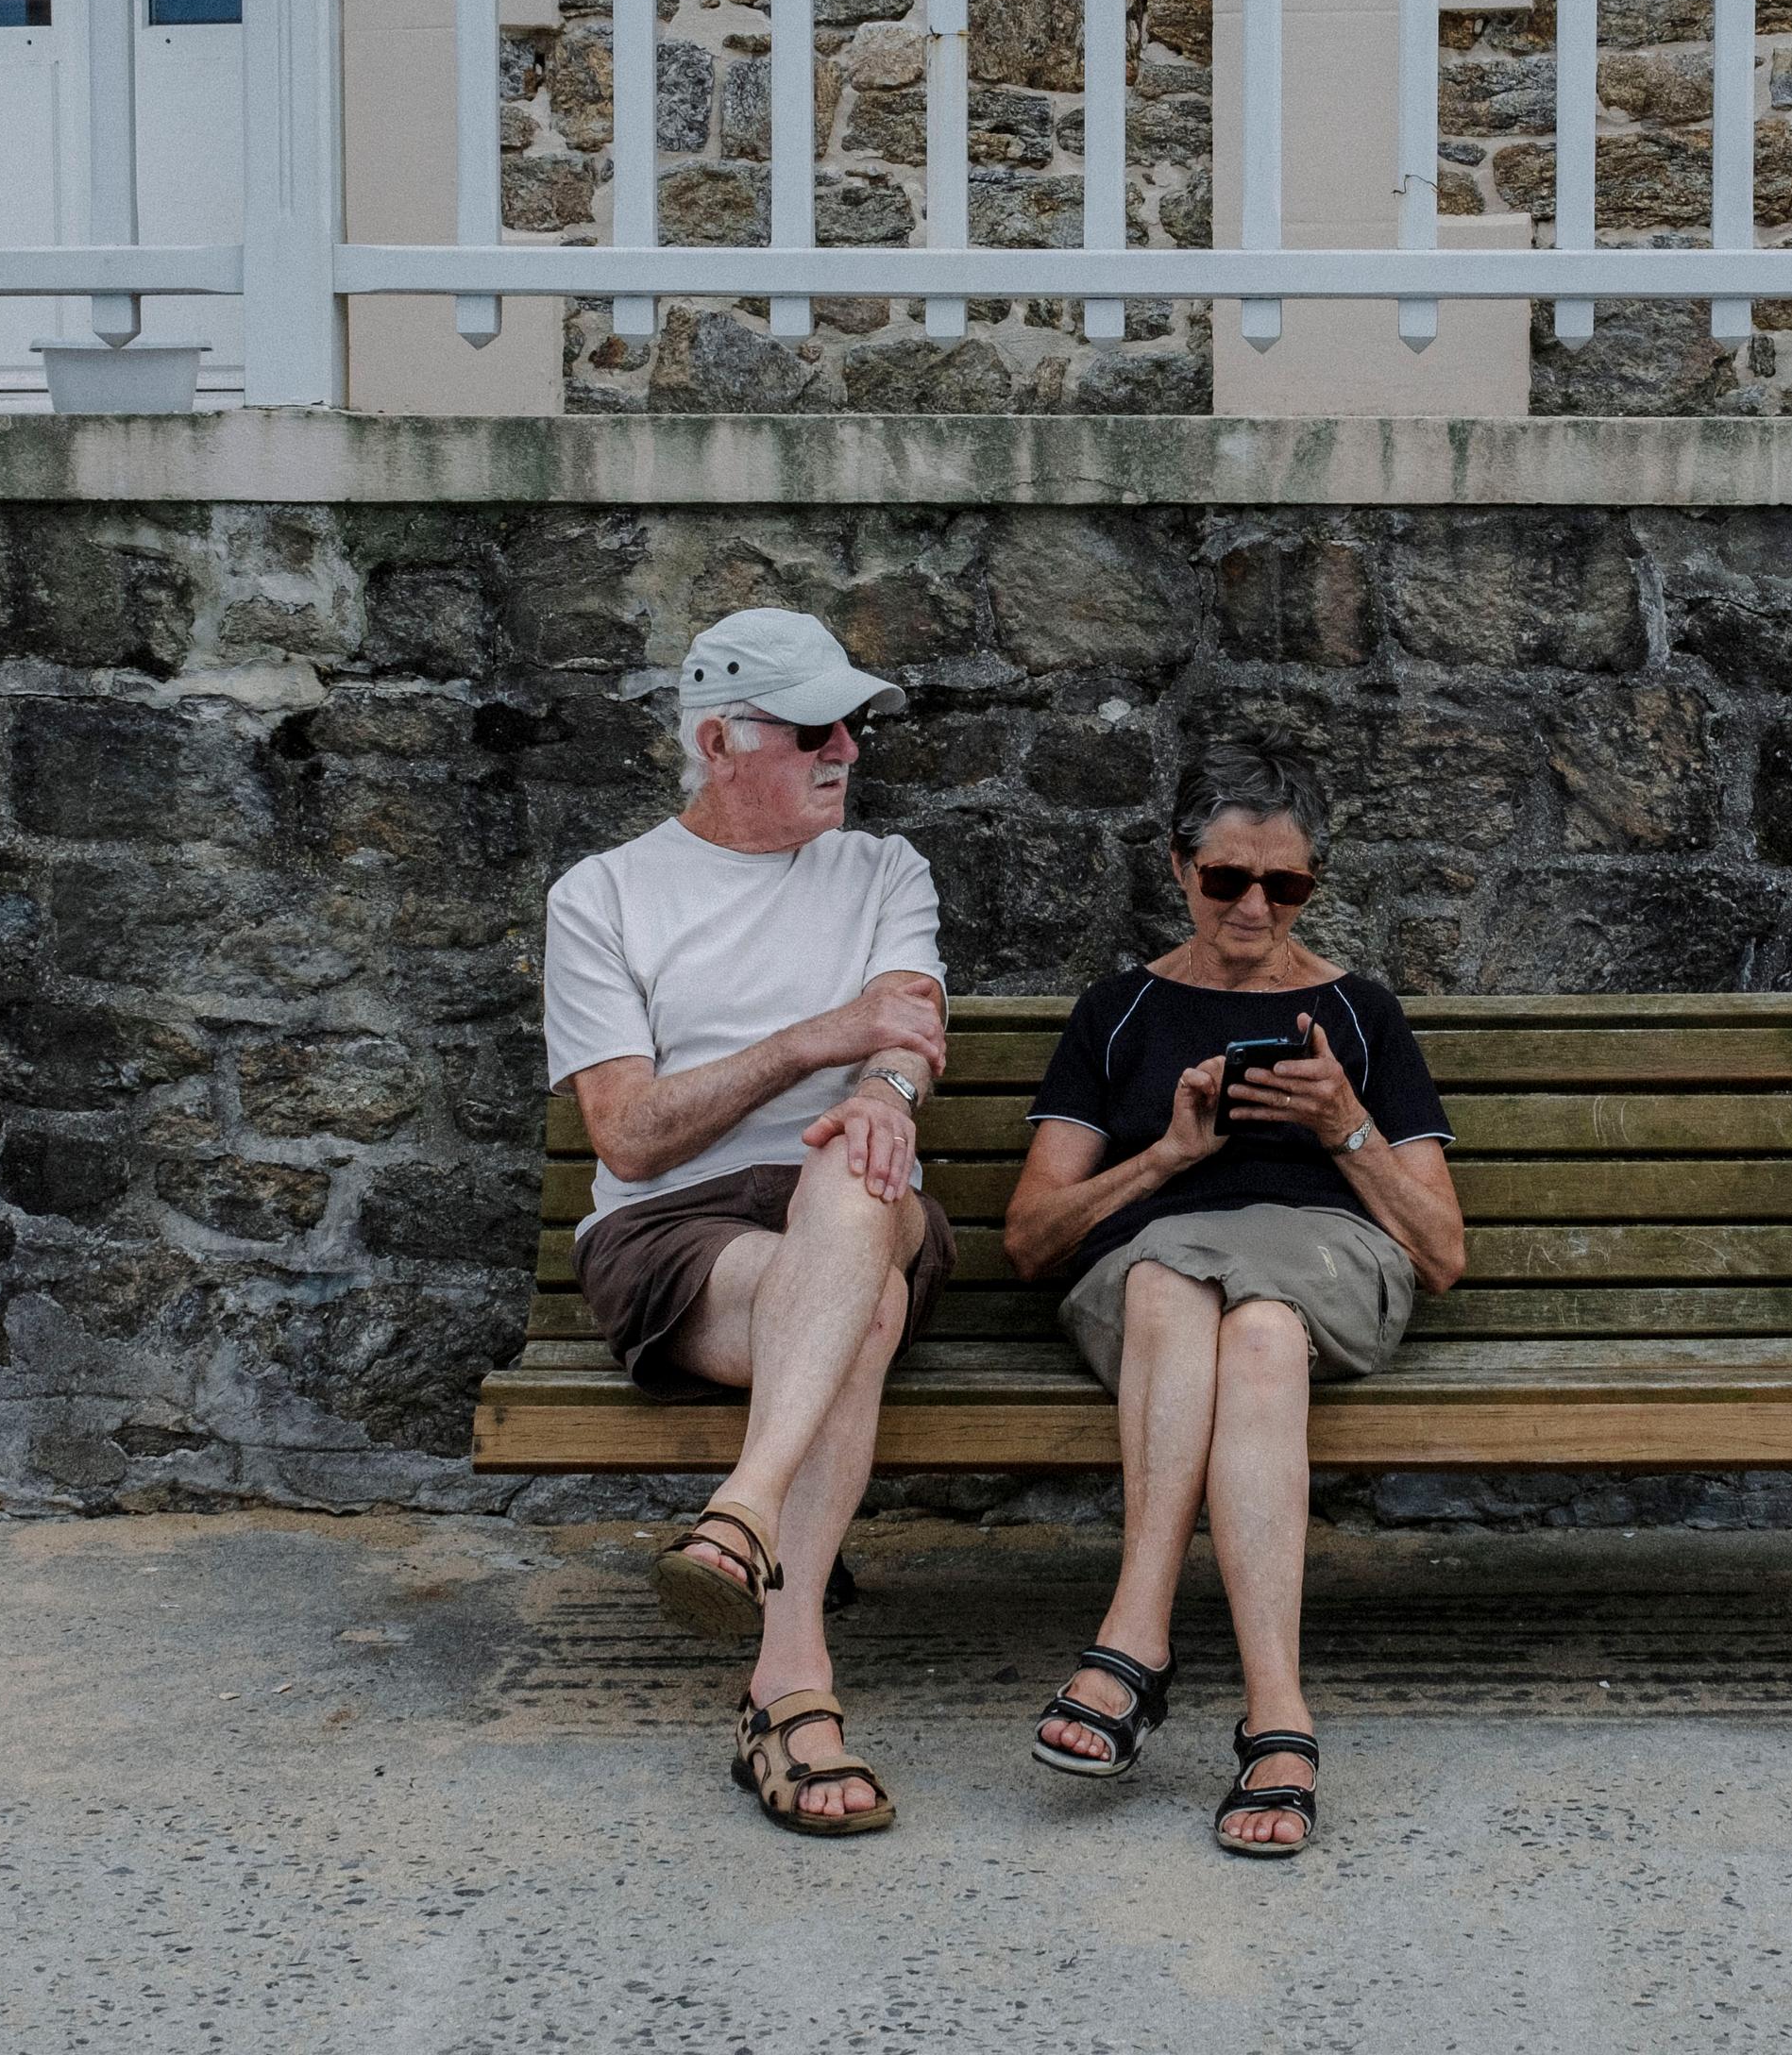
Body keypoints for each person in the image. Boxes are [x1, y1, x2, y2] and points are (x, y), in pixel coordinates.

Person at [1004, 742, 1466, 1857]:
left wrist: (1343, 1123)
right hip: (1153, 1281)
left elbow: (1444, 1251)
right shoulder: (1115, 1013)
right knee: (1201, 1294)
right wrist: (1164, 1156)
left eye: (1286, 885)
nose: (1255, 905)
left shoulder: (1359, 1014)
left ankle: (1132, 1650)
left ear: (1311, 884)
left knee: (1247, 1306)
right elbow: (1030, 1237)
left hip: (1326, 1263)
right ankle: (1276, 1717)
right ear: (1179, 869)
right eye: (1227, 879)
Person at [542, 607, 955, 1838]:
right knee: (862, 1297)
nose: (849, 750)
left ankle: (747, 1513)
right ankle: (789, 1686)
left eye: (855, 726)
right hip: (676, 1238)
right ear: (721, 740)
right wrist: (819, 1046)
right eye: (817, 728)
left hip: (852, 1192)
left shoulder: (885, 872)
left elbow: (913, 1026)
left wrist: (884, 1093)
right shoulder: (606, 897)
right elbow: (627, 1134)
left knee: (855, 1187)